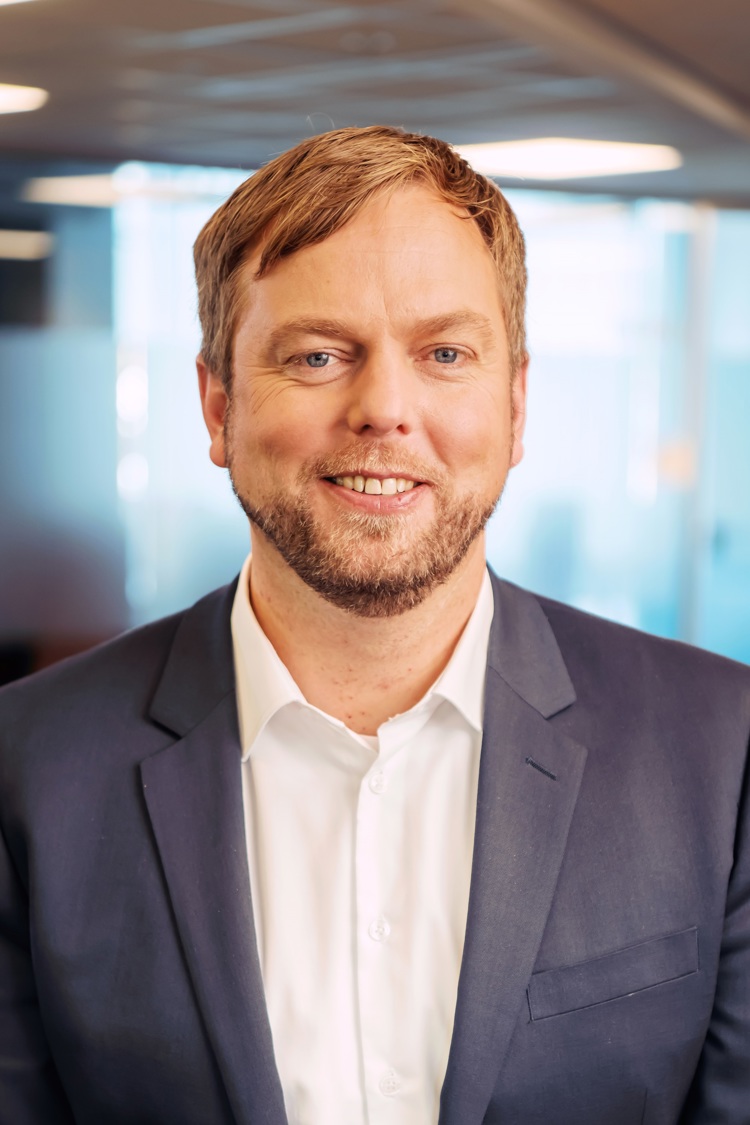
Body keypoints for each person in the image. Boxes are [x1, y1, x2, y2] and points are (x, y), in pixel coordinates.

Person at [0, 125, 749, 1125]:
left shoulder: (721, 749)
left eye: (445, 353)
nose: (386, 408)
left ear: (517, 403)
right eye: (317, 355)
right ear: (217, 405)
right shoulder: (28, 766)